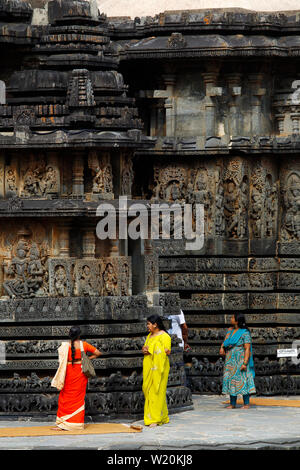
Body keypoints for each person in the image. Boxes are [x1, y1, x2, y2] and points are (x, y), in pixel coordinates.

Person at [51, 326, 102, 430]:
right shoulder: (84, 345)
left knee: (65, 398)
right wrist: (87, 359)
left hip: (68, 373)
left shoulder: (65, 346)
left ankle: (63, 424)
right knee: (78, 399)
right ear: (79, 335)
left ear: (70, 335)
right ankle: (76, 424)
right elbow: (98, 353)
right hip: (80, 373)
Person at [220, 313, 256, 409]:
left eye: (232, 318)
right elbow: (225, 341)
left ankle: (246, 403)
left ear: (237, 320)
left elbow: (247, 348)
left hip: (240, 359)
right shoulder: (230, 331)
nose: (230, 319)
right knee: (231, 380)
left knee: (243, 380)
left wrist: (245, 363)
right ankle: (232, 403)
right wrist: (222, 348)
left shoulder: (245, 332)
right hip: (230, 359)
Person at [142, 315, 171, 427]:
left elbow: (166, 352)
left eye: (149, 323)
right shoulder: (149, 335)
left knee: (157, 390)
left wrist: (151, 349)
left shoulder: (165, 336)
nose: (147, 326)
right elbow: (146, 348)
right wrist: (144, 349)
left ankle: (155, 419)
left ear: (155, 324)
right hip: (148, 365)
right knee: (148, 389)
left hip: (160, 367)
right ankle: (162, 416)